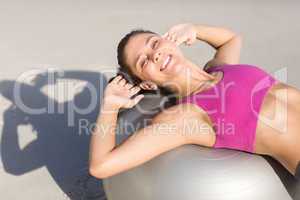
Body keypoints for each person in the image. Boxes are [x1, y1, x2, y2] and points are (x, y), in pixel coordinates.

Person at [89, 23, 300, 180]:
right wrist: (109, 107)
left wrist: (193, 30)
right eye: (143, 61)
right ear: (147, 84)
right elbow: (101, 166)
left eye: (154, 43)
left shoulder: (219, 67)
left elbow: (232, 39)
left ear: (168, 40)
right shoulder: (185, 116)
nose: (155, 55)